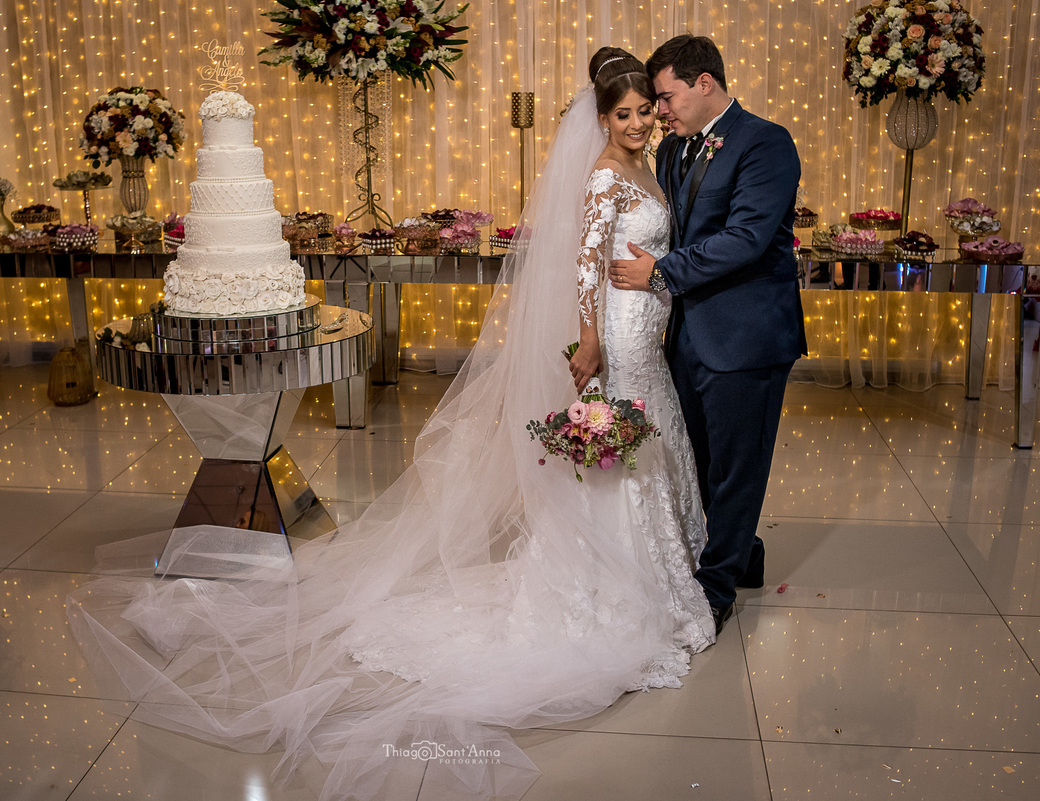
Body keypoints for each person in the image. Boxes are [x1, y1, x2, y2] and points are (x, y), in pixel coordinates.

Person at [68, 47, 711, 801]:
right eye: (625, 114)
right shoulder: (604, 173)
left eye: (644, 111)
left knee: (645, 446)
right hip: (618, 334)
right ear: (601, 120)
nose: (638, 124)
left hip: (648, 332)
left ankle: (652, 575)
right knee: (619, 456)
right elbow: (582, 262)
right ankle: (612, 591)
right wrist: (592, 338)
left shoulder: (651, 162)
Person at [607, 35, 807, 634]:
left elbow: (746, 238)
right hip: (688, 332)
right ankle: (741, 555)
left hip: (746, 335)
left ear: (705, 83)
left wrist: (661, 273)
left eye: (664, 97)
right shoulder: (673, 150)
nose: (658, 111)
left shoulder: (765, 142)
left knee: (737, 467)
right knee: (700, 459)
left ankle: (714, 589)